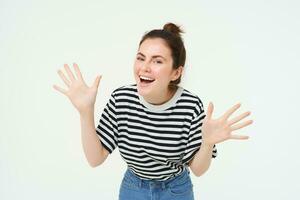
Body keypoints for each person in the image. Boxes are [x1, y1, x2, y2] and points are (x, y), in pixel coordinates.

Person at [53, 23, 253, 200]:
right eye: (141, 58)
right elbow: (95, 159)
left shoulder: (190, 106)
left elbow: (199, 170)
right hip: (133, 188)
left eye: (157, 61)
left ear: (176, 72)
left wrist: (207, 143)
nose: (145, 67)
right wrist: (86, 112)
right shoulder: (121, 99)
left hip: (176, 190)